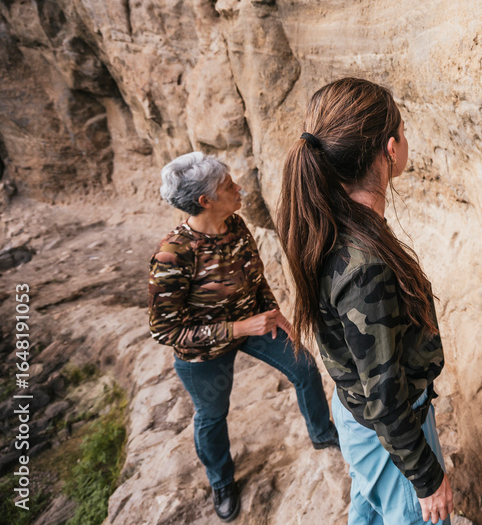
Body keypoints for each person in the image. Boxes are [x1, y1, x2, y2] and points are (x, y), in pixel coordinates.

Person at [275, 77, 454, 525]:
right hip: (388, 431)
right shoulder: (365, 263)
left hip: (355, 414)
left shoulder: (324, 221)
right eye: (403, 131)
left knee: (369, 511)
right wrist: (427, 478)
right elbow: (387, 395)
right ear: (390, 149)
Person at [148, 152, 340, 522]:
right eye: (228, 186)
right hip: (201, 353)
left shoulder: (235, 224)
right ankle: (221, 481)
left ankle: (322, 433)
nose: (240, 189)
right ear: (205, 201)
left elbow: (255, 276)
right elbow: (164, 329)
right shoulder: (172, 255)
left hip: (253, 324)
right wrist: (238, 329)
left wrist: (274, 312)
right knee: (212, 415)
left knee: (304, 367)